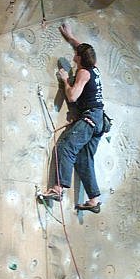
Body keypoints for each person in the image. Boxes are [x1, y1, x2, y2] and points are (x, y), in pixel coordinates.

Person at [39, 23, 105, 213]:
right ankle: (94, 200)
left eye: (76, 54)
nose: (73, 55)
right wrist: (70, 36)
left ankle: (58, 189)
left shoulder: (83, 73)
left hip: (89, 119)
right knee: (84, 159)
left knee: (65, 147)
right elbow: (81, 47)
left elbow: (72, 97)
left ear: (79, 58)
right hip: (99, 120)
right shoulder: (94, 68)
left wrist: (65, 80)